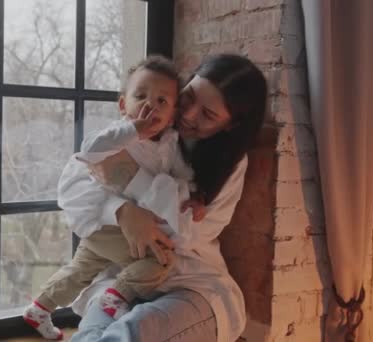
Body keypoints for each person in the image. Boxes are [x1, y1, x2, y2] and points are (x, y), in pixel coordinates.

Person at [65, 54, 268, 342]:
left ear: (230, 125)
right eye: (188, 97)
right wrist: (122, 212)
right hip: (124, 274)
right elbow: (74, 187)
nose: (188, 114)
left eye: (208, 115)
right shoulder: (138, 125)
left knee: (134, 331)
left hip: (189, 281)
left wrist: (130, 178)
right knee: (95, 332)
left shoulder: (230, 165)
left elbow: (185, 233)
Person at [22, 55, 206, 340]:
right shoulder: (117, 133)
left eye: (161, 101)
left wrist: (195, 195)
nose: (149, 106)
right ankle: (115, 297)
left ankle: (39, 308)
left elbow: (182, 175)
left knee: (79, 271)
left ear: (172, 114)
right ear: (123, 105)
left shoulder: (170, 143)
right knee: (160, 259)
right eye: (140, 96)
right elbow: (90, 150)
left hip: (108, 230)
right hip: (105, 222)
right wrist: (132, 131)